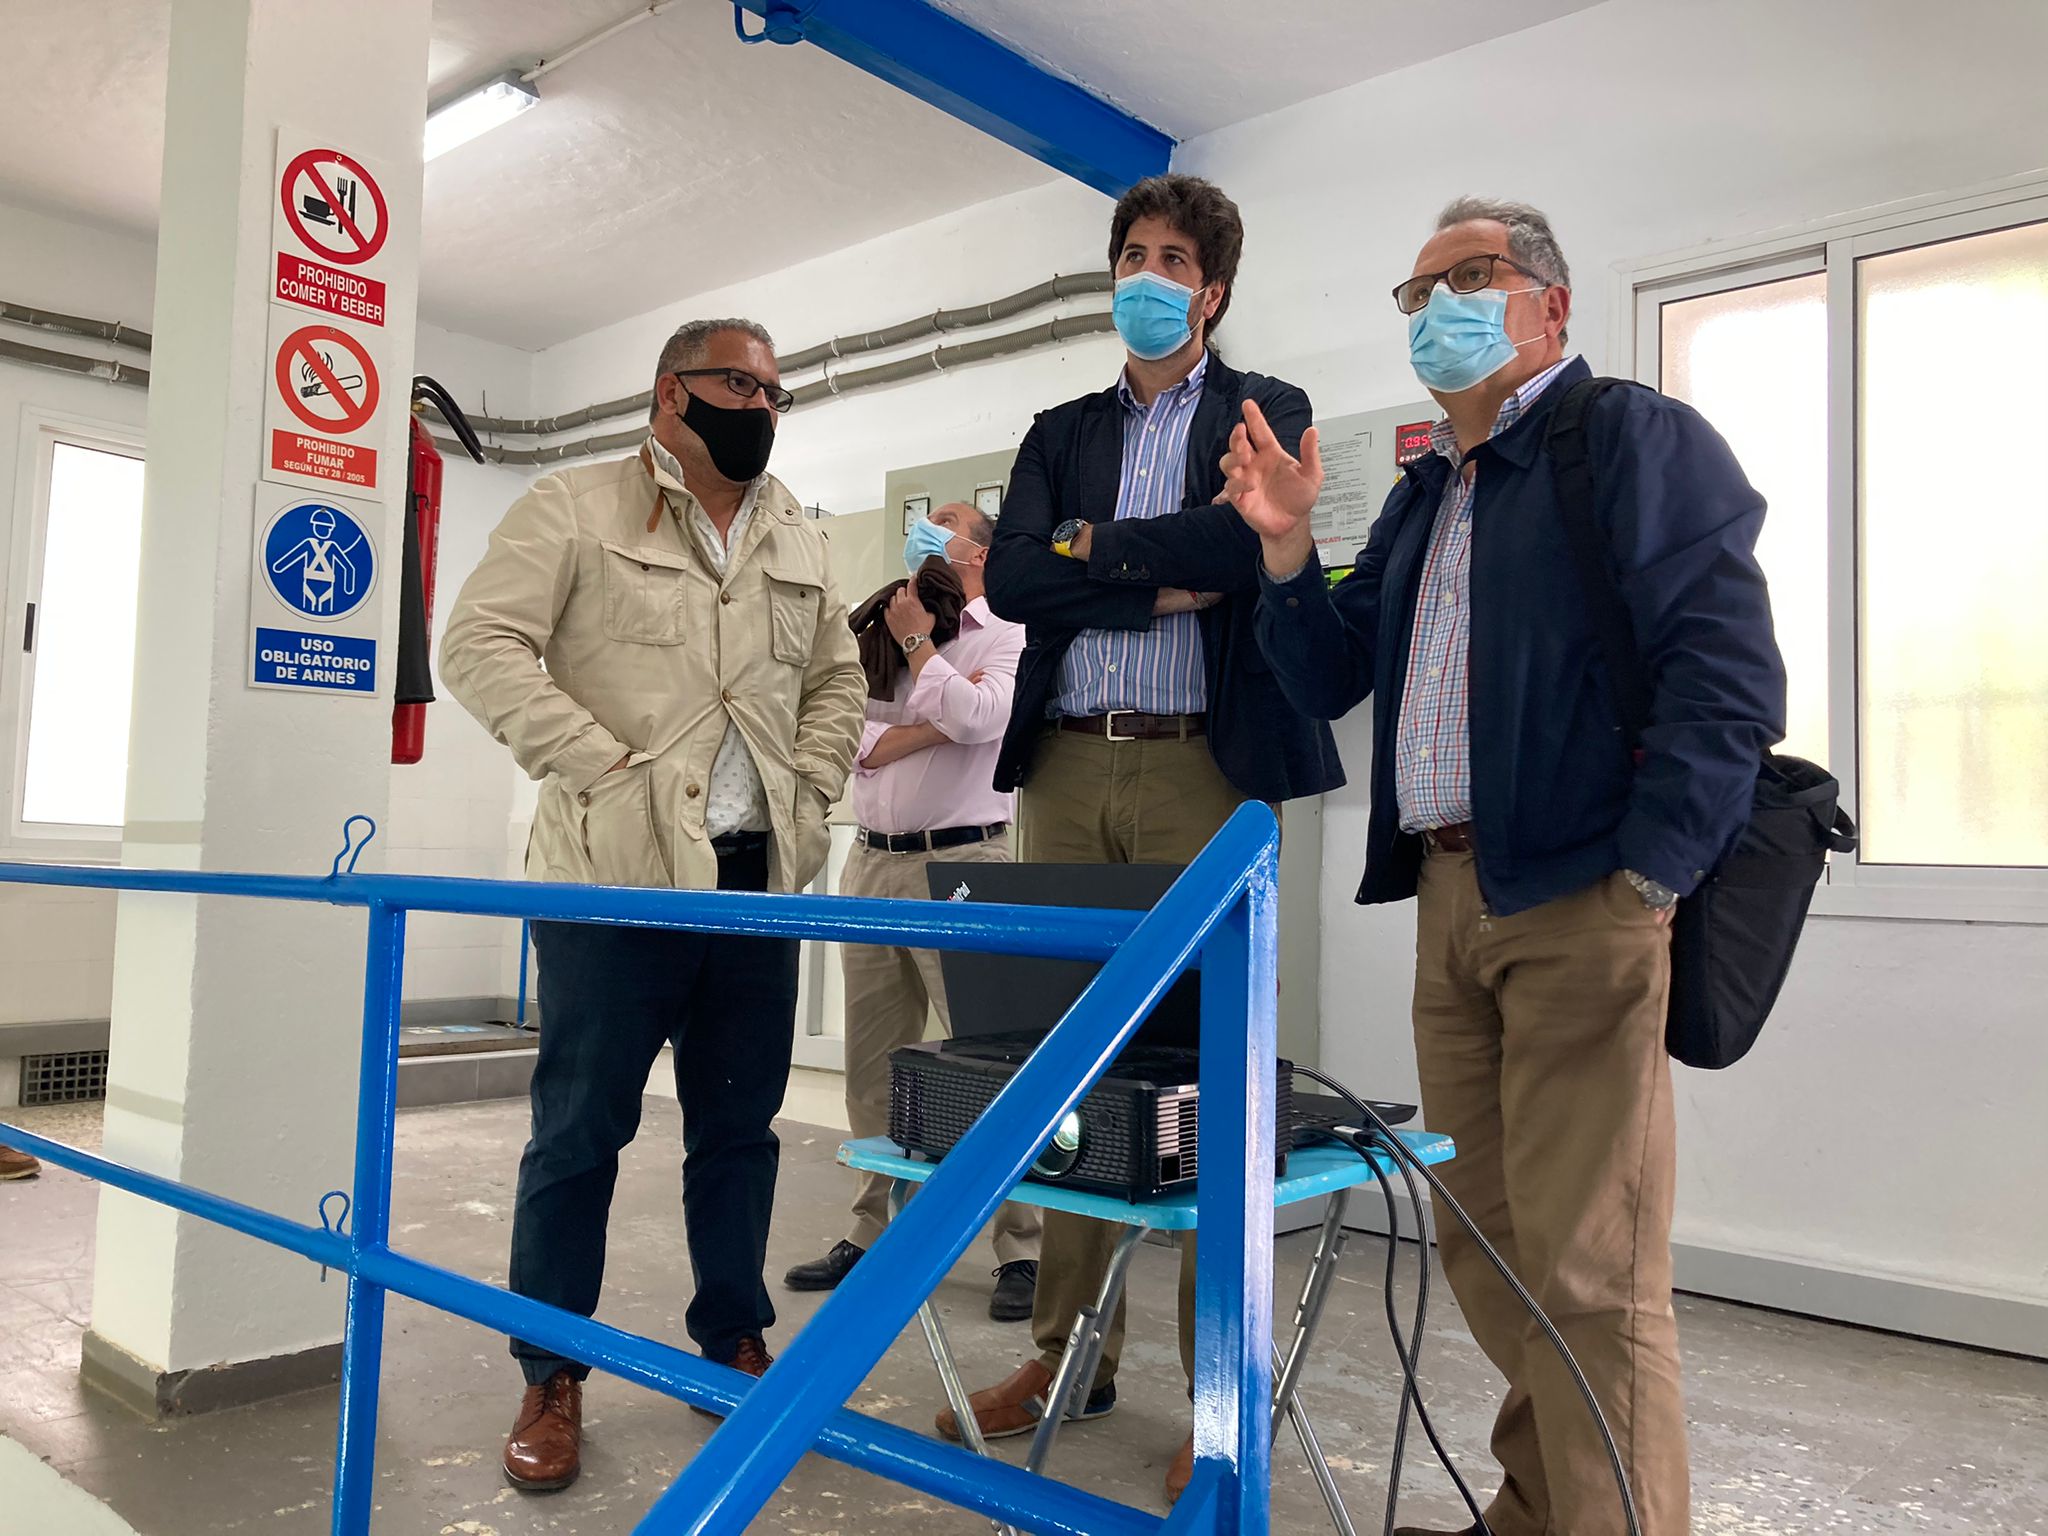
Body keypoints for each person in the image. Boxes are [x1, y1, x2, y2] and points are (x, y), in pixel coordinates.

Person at [1233, 197, 1786, 1536]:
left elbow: (1726, 676)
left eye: (1470, 277)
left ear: (1551, 303)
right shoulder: (1429, 492)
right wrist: (1287, 550)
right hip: (1450, 901)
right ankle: (1542, 1509)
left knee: (1590, 1269)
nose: (1438, 309)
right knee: (1486, 1242)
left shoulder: (1628, 439)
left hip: (1583, 897)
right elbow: (1324, 674)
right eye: (1416, 292)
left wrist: (1649, 876)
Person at [947, 172, 1344, 1506]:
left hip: (1201, 773)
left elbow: (1237, 549)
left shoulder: (1263, 408)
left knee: (1209, 1079)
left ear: (1211, 290)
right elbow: (1013, 576)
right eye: (1131, 254)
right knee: (1064, 1065)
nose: (1146, 276)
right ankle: (1068, 1359)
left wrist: (1095, 554)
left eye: (1173, 259)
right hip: (1065, 767)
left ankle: (1217, 1400)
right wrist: (1148, 575)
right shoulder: (1059, 428)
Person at [440, 317, 866, 1495]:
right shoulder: (574, 507)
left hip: (752, 885)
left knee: (738, 1131)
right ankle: (551, 1369)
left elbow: (836, 678)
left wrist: (811, 786)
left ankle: (731, 1342)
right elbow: (477, 644)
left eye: (776, 391)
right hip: (610, 883)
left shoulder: (796, 531)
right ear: (673, 394)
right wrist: (602, 768)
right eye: (740, 384)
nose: (762, 406)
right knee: (579, 1134)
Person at [782, 502, 1040, 1321]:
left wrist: (923, 653)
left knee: (992, 1058)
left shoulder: (1007, 630)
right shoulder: (880, 626)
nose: (930, 527)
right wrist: (934, 716)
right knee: (874, 1063)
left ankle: (1022, 1248)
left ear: (982, 551)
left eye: (951, 520)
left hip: (964, 863)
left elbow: (986, 719)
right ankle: (874, 1231)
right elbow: (848, 738)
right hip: (871, 863)